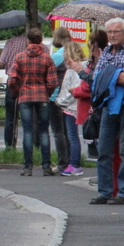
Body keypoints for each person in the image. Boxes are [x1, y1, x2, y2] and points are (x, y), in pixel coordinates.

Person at [87, 17, 124, 205]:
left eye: (116, 31)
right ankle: (105, 192)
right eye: (109, 31)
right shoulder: (107, 51)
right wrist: (116, 73)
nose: (112, 35)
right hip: (108, 105)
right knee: (103, 151)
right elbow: (96, 77)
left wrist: (109, 73)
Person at [7, 28, 59, 176]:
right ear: (41, 40)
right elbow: (53, 82)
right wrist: (47, 92)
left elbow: (11, 79)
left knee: (28, 131)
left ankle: (28, 167)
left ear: (28, 40)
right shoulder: (47, 59)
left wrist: (17, 92)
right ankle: (46, 167)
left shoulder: (19, 57)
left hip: (25, 96)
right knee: (44, 131)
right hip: (42, 97)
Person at [56, 40, 87, 176]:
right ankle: (73, 163)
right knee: (75, 135)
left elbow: (70, 90)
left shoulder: (71, 70)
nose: (62, 53)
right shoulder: (84, 66)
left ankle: (74, 164)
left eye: (64, 51)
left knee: (72, 136)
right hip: (78, 105)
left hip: (71, 107)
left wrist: (59, 101)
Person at [47, 27, 74, 172]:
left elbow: (46, 71)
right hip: (69, 97)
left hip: (56, 96)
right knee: (69, 131)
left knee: (58, 131)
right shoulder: (72, 52)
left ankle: (62, 162)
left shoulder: (57, 56)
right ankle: (72, 160)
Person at [0, 31, 30, 148]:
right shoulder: (31, 43)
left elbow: (1, 62)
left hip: (12, 80)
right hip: (28, 82)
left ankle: (9, 145)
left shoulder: (10, 42)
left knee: (10, 116)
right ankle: (30, 146)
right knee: (29, 116)